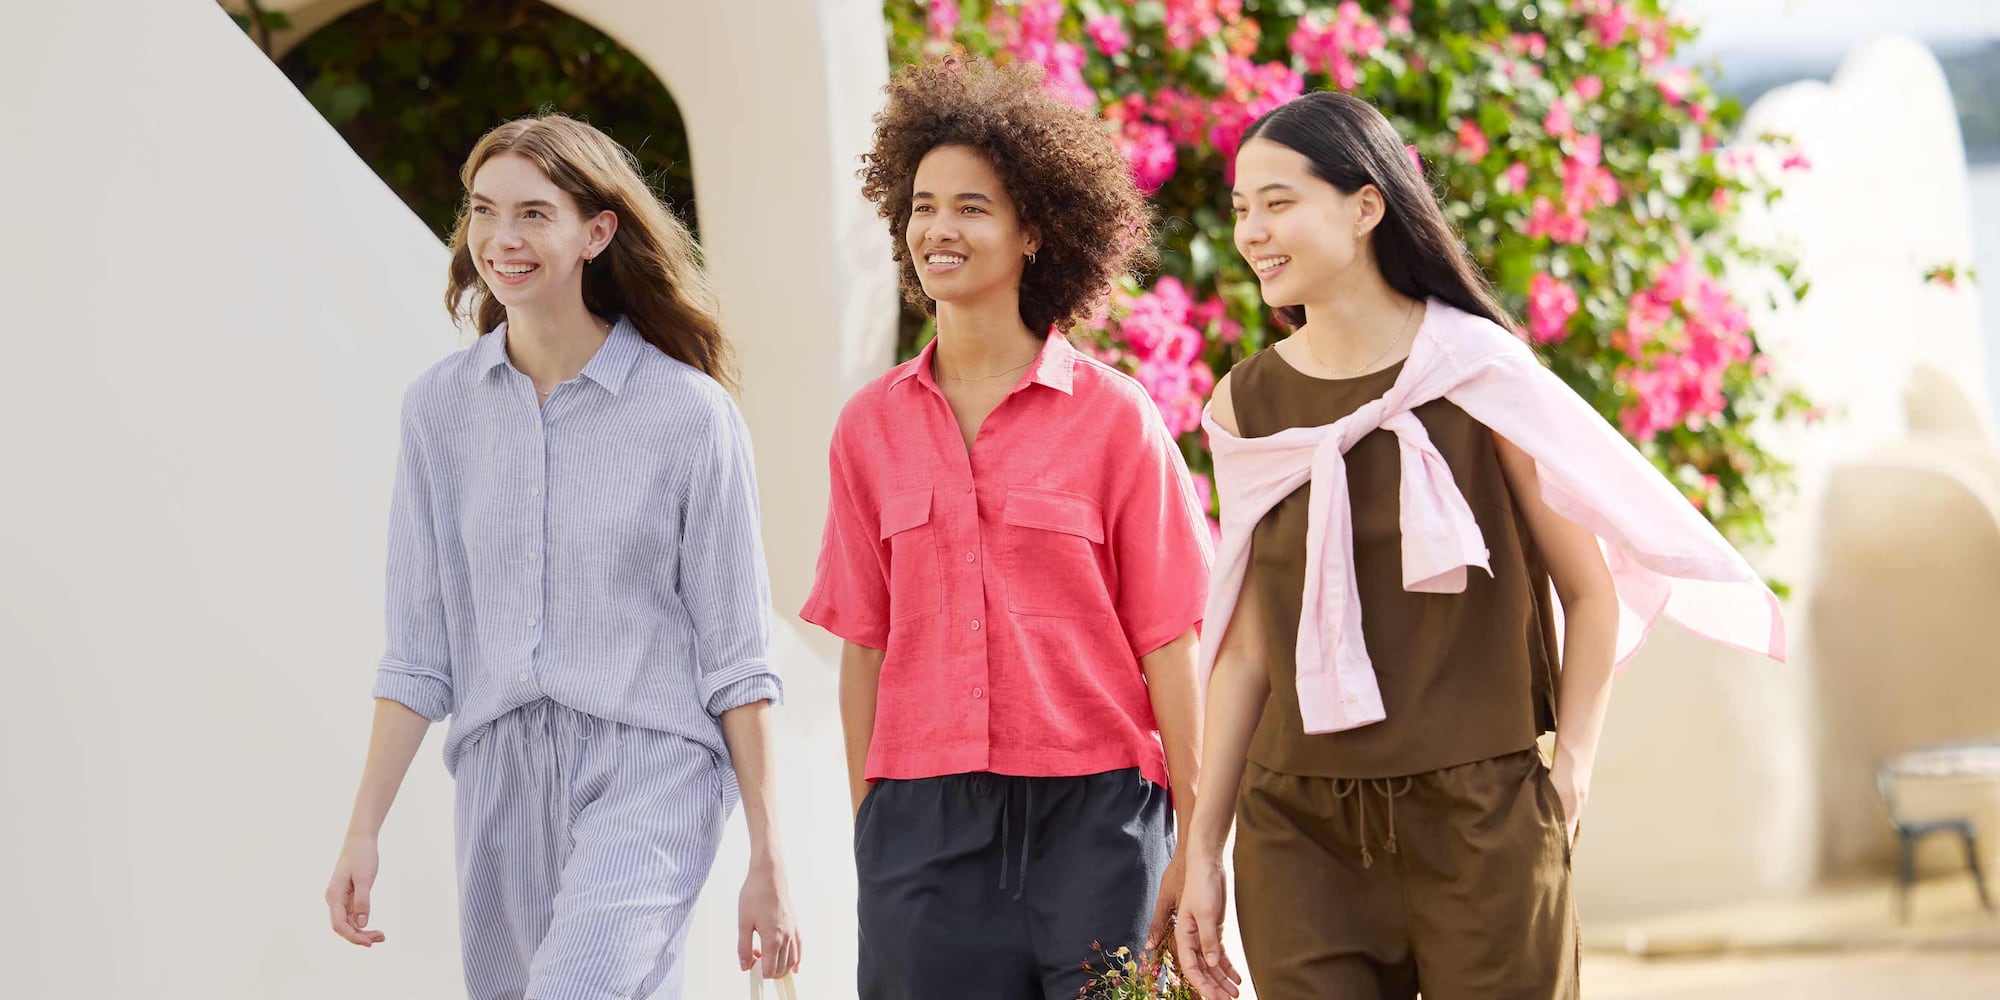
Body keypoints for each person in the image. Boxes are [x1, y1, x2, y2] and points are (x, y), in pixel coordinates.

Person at [1174, 92, 1786, 1000]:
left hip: (1482, 820)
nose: (1252, 232)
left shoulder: (1478, 374)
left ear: (1365, 205)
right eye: (1240, 209)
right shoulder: (1245, 406)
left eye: (1278, 201)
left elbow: (1588, 591)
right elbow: (1249, 651)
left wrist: (1568, 772)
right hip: (1297, 835)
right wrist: (1202, 853)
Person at [323, 113, 801, 1000]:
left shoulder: (690, 417)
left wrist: (769, 857)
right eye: (484, 210)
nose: (502, 239)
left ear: (597, 231)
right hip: (500, 772)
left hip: (651, 767)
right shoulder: (439, 411)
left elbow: (739, 661)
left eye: (535, 214)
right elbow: (419, 651)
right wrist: (364, 829)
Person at [799, 56, 1213, 1000]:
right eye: (922, 206)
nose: (939, 229)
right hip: (921, 824)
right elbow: (864, 645)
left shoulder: (1115, 419)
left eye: (973, 207)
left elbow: (1170, 644)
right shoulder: (870, 427)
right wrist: (873, 821)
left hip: (1098, 820)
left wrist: (1194, 841)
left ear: (1034, 230)